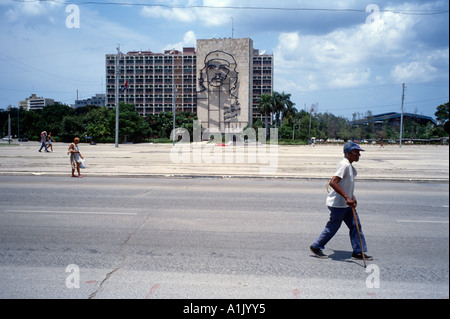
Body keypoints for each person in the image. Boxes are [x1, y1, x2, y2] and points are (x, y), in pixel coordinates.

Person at [310, 142, 373, 260]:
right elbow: (333, 182)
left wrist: (352, 196)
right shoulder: (344, 165)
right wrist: (346, 197)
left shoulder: (349, 165)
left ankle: (358, 252)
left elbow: (346, 184)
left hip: (346, 204)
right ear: (349, 153)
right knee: (333, 227)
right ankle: (316, 246)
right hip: (338, 204)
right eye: (357, 152)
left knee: (356, 226)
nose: (359, 155)